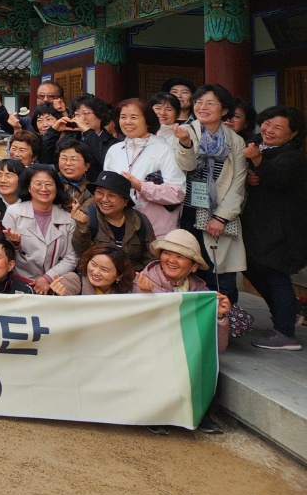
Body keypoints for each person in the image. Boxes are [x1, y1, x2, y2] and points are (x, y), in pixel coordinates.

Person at [169, 83, 247, 306]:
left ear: (224, 110)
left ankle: (223, 324)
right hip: (188, 212)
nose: (202, 107)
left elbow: (238, 183)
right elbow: (185, 167)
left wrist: (221, 217)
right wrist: (185, 144)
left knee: (221, 275)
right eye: (199, 102)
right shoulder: (185, 131)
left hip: (219, 214)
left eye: (210, 103)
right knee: (189, 269)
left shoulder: (235, 141)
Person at [241, 106, 307, 350]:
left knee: (275, 273)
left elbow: (278, 179)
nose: (269, 130)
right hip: (261, 226)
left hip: (282, 229)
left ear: (292, 134)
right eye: (267, 123)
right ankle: (286, 315)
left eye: (278, 127)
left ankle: (285, 332)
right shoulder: (258, 144)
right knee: (251, 267)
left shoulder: (293, 157)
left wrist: (257, 161)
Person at [135, 230, 231, 351]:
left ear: (194, 266)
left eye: (180, 256)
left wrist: (219, 316)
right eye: (167, 253)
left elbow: (217, 347)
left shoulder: (201, 292)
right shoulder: (141, 281)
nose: (171, 260)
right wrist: (145, 296)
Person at [103, 98, 184, 238]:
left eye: (133, 117)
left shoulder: (164, 149)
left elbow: (177, 193)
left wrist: (141, 186)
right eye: (123, 117)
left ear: (147, 120)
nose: (127, 122)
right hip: (119, 227)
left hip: (156, 230)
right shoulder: (114, 150)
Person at [1, 164, 76, 294]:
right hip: (18, 282)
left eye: (48, 184)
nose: (43, 189)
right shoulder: (13, 212)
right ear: (29, 187)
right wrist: (15, 244)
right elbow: (3, 252)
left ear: (56, 188)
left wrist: (47, 278)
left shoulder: (68, 219)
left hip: (54, 284)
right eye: (38, 184)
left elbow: (71, 258)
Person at [71, 171, 156, 270]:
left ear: (125, 201)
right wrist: (82, 228)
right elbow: (81, 253)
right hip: (97, 275)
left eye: (111, 196)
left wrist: (144, 278)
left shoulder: (140, 220)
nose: (104, 199)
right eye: (99, 193)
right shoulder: (87, 216)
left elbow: (151, 257)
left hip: (133, 278)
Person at [51, 244, 136, 296]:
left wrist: (145, 292)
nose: (95, 272)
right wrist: (60, 296)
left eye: (104, 270)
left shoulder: (124, 291)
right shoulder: (73, 280)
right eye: (93, 264)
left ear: (119, 276)